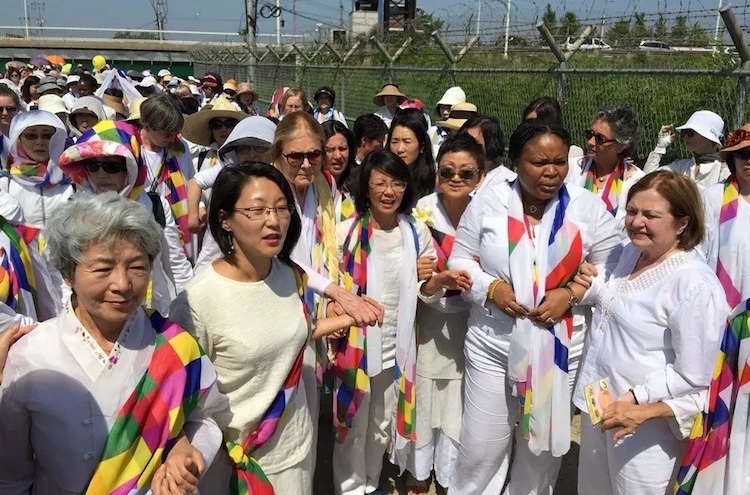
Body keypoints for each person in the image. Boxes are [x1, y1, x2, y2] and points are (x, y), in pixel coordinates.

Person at [0, 192, 227, 495]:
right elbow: (13, 474)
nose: (122, 284)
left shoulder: (176, 347)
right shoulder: (29, 356)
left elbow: (205, 416)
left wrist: (189, 452)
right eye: (103, 269)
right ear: (68, 273)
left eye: (136, 267)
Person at [447, 120, 621, 495]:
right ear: (515, 162)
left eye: (559, 161)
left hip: (559, 350)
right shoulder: (489, 202)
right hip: (493, 345)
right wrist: (490, 287)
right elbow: (459, 260)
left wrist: (572, 293)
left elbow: (615, 270)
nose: (551, 171)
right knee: (481, 448)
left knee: (540, 450)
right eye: (539, 162)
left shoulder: (586, 208)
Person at [170, 162, 356, 494]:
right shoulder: (196, 301)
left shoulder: (288, 275)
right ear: (224, 219)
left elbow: (293, 332)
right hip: (235, 464)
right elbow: (177, 394)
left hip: (296, 449)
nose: (273, 221)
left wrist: (349, 317)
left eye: (282, 208)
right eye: (257, 210)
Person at [572, 170, 727, 495]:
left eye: (650, 215)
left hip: (645, 424)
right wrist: (583, 282)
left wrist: (637, 397)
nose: (636, 222)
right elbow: (606, 293)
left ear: (682, 223)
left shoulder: (693, 285)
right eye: (632, 211)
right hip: (601, 404)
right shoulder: (627, 253)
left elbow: (695, 374)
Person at [332, 149, 466, 495]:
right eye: (380, 183)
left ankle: (371, 483)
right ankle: (350, 488)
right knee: (352, 424)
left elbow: (426, 292)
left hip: (398, 348)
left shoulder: (416, 231)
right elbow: (332, 291)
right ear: (367, 187)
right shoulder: (345, 233)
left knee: (380, 424)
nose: (388, 191)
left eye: (396, 183)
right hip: (356, 349)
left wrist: (436, 280)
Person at [405, 134, 483, 494]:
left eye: (466, 173)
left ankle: (451, 474)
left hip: (471, 321)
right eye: (447, 171)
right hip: (428, 319)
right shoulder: (421, 210)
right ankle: (418, 470)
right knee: (423, 392)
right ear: (436, 172)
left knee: (459, 400)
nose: (455, 179)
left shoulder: (488, 212)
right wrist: (420, 272)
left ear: (479, 176)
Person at [58, 120, 193, 317]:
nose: (101, 174)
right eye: (93, 165)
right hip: (94, 318)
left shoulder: (155, 206)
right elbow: (65, 275)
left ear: (131, 166)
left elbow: (175, 264)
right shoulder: (73, 207)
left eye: (112, 166)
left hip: (151, 314)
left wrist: (187, 315)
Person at [189, 116, 277, 272]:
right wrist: (193, 218)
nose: (252, 154)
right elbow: (196, 181)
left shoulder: (281, 180)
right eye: (245, 148)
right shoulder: (228, 172)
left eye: (259, 148)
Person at [571, 105, 645, 237]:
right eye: (589, 134)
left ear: (621, 146)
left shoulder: (636, 183)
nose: (591, 142)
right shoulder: (573, 169)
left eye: (600, 139)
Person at [699, 123, 750, 308]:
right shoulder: (714, 197)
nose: (749, 161)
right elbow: (698, 252)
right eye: (743, 154)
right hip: (721, 307)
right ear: (732, 160)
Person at [138, 93, 195, 257]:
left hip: (181, 228)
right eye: (167, 134)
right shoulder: (132, 150)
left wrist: (198, 209)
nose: (173, 139)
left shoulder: (180, 147)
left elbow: (190, 179)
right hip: (145, 230)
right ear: (147, 127)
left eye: (175, 132)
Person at [2, 110, 74, 228]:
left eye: (47, 135)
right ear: (18, 139)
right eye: (31, 135)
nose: (39, 142)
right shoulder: (6, 183)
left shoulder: (74, 179)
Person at [643, 110, 728, 188]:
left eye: (690, 133)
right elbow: (647, 181)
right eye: (684, 133)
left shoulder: (723, 171)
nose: (686, 137)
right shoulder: (681, 167)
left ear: (708, 137)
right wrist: (659, 148)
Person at [181, 97, 247, 173]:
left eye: (229, 124)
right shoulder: (201, 159)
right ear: (211, 129)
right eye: (217, 125)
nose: (223, 129)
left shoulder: (247, 157)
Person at [458, 114, 515, 191]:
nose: (468, 147)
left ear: (491, 143)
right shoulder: (451, 175)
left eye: (475, 143)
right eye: (465, 141)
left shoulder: (508, 181)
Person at [389, 108, 436, 200]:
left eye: (407, 142)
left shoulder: (434, 184)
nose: (400, 149)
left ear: (422, 146)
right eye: (395, 142)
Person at [322, 120, 357, 220]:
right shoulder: (311, 189)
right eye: (330, 150)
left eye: (342, 149)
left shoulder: (358, 186)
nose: (337, 156)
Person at [428, 86, 466, 160]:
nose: (445, 112)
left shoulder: (467, 133)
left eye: (449, 108)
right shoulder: (433, 132)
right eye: (443, 108)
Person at [0, 84, 21, 167]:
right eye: (0, 109)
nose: (5, 113)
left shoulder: (28, 135)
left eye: (10, 109)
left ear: (18, 109)